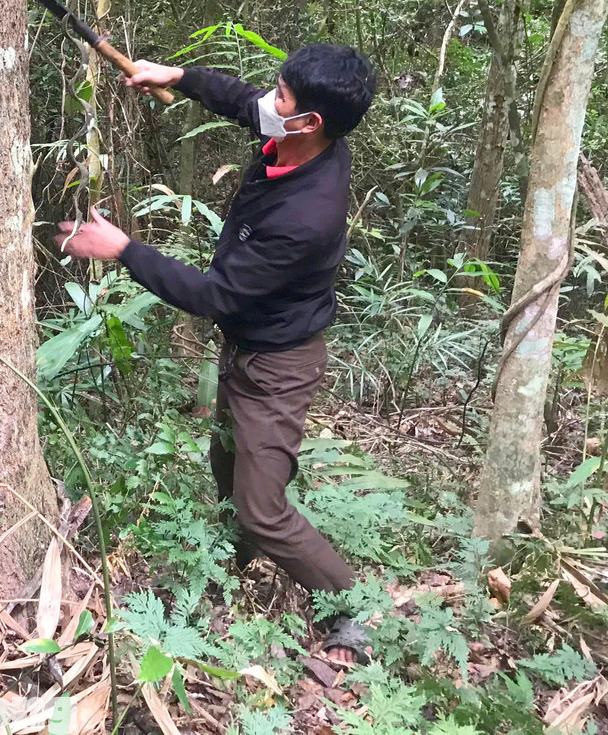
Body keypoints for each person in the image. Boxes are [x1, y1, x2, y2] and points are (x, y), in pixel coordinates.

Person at [53, 43, 377, 666]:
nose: (269, 101)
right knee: (226, 469)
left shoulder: (307, 213)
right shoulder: (305, 135)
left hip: (277, 366)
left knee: (261, 510)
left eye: (281, 96)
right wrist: (175, 74)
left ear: (310, 122)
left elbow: (214, 296)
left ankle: (351, 604)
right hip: (249, 348)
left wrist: (123, 249)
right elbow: (241, 102)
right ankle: (230, 577)